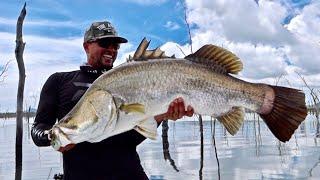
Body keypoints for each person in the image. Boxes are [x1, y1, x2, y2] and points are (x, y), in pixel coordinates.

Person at [31, 20, 194, 180]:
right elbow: (38, 128)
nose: (111, 49)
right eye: (105, 43)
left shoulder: (128, 82)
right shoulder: (59, 81)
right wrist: (53, 136)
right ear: (86, 46)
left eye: (115, 46)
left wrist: (161, 115)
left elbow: (131, 139)